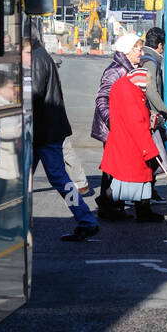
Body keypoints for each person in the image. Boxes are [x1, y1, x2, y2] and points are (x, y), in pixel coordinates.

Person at [27, 36, 99, 241]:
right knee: (26, 180)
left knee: (59, 178)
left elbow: (34, 94)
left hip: (44, 132)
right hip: (44, 131)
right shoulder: (39, 55)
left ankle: (86, 220)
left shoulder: (36, 59)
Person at [99, 67, 162, 222]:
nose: (148, 86)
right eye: (147, 82)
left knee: (121, 180)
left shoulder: (124, 87)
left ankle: (110, 205)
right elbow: (138, 125)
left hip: (122, 143)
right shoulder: (133, 96)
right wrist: (150, 150)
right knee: (141, 179)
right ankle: (142, 211)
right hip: (133, 147)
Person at [92, 33, 143, 220]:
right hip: (114, 128)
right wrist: (112, 122)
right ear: (128, 50)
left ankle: (112, 205)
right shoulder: (116, 71)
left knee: (115, 168)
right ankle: (108, 206)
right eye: (138, 48)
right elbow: (101, 99)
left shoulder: (130, 68)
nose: (141, 52)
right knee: (113, 168)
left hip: (123, 127)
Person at [140, 27, 167, 202]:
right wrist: (166, 113)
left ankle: (149, 191)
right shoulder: (150, 62)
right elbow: (151, 91)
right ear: (160, 45)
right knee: (152, 154)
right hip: (149, 117)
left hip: (146, 116)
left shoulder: (144, 58)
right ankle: (147, 193)